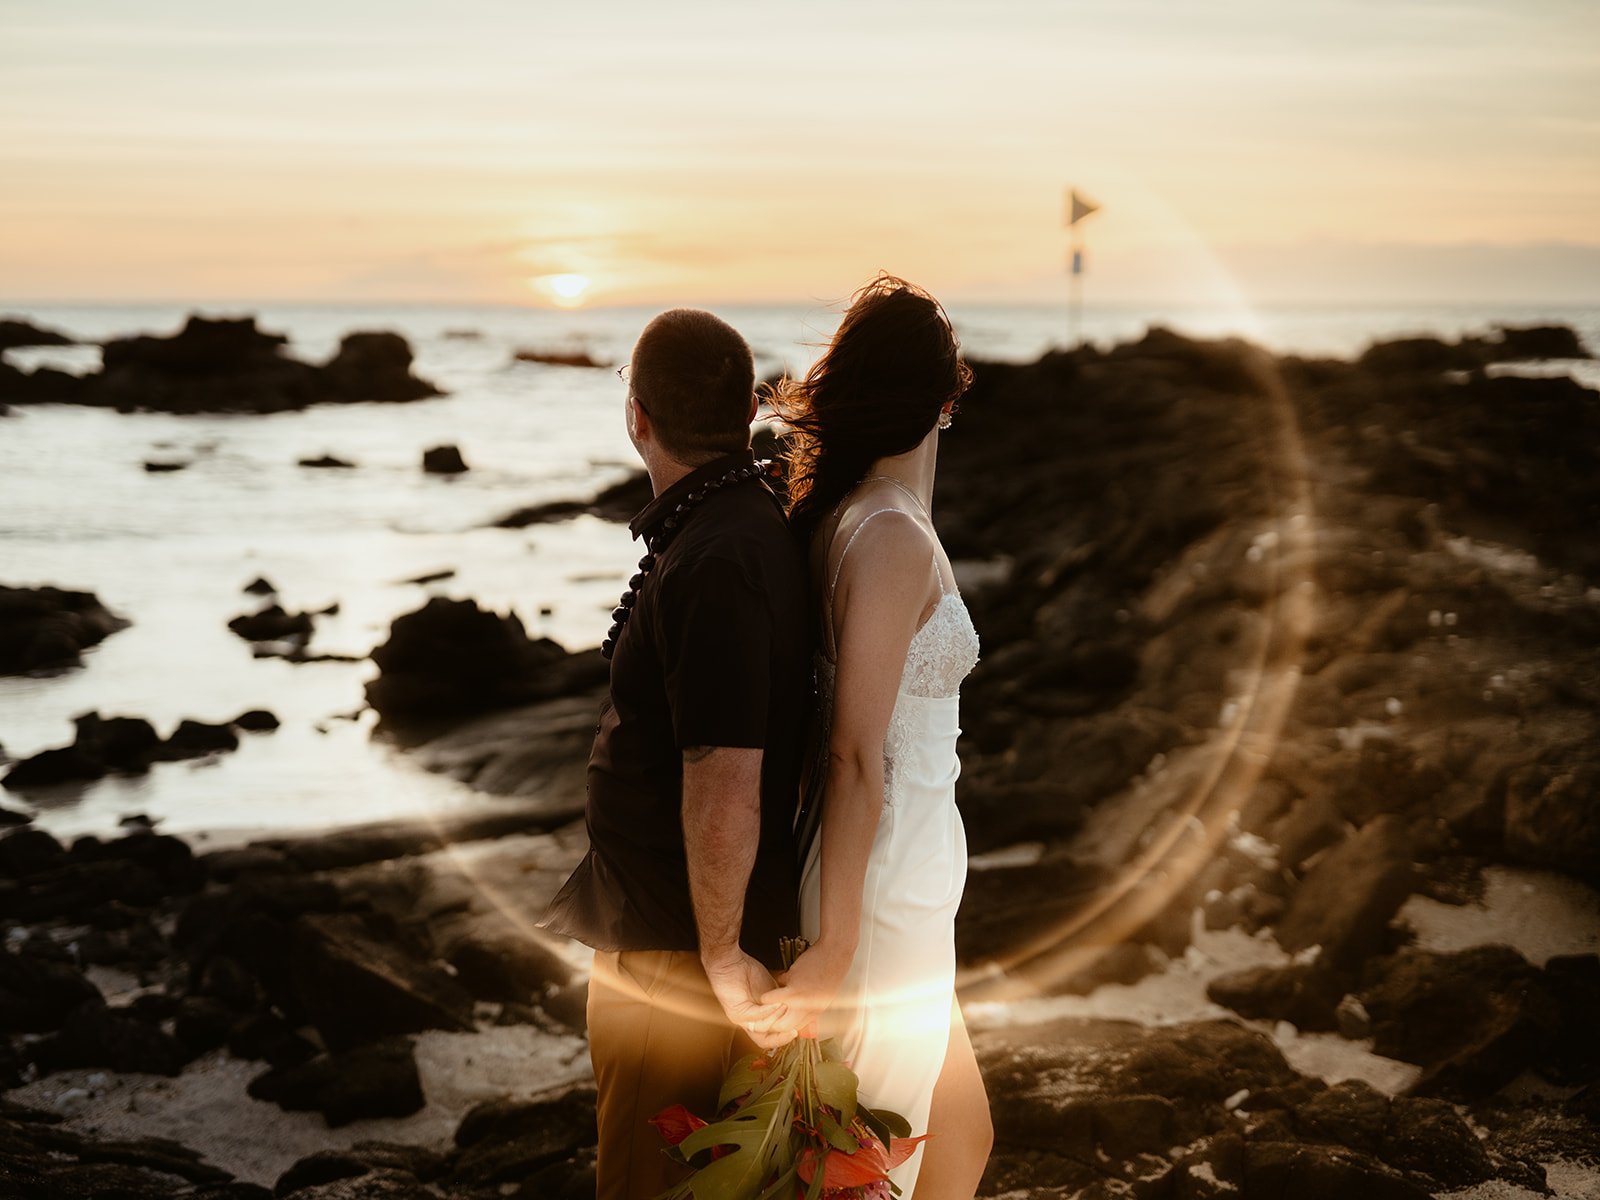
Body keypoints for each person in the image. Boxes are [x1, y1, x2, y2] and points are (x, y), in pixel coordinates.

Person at [539, 308, 809, 1200]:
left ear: (638, 417)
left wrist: (721, 956)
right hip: (671, 928)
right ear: (746, 411)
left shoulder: (718, 557)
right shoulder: (729, 524)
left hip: (675, 951)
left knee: (645, 1180)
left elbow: (724, 779)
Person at [764, 275, 994, 1197]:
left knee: (961, 1132)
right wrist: (833, 948)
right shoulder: (890, 533)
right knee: (871, 1171)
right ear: (947, 400)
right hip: (883, 886)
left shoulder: (847, 516)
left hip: (900, 876)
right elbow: (854, 754)